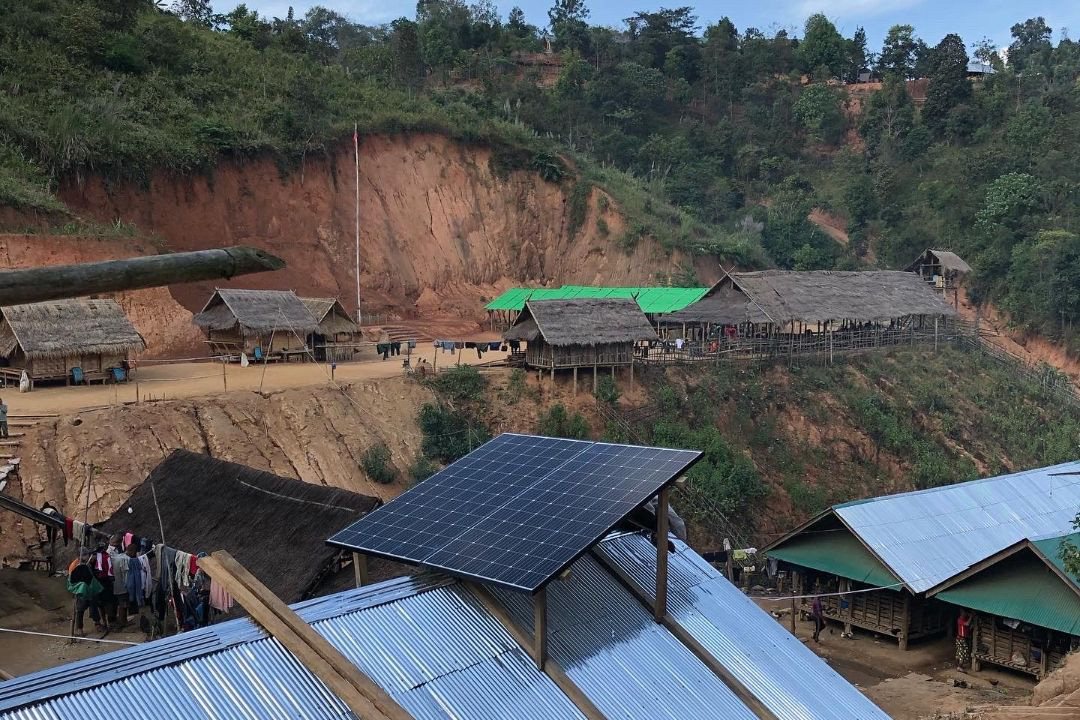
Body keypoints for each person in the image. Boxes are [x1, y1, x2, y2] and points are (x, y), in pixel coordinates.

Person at [67, 549, 103, 636]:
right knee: (80, 609)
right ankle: (80, 628)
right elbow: (72, 580)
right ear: (82, 556)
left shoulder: (88, 563)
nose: (88, 557)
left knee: (94, 606)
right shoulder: (74, 565)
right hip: (82, 591)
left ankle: (97, 624)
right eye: (86, 555)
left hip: (90, 589)